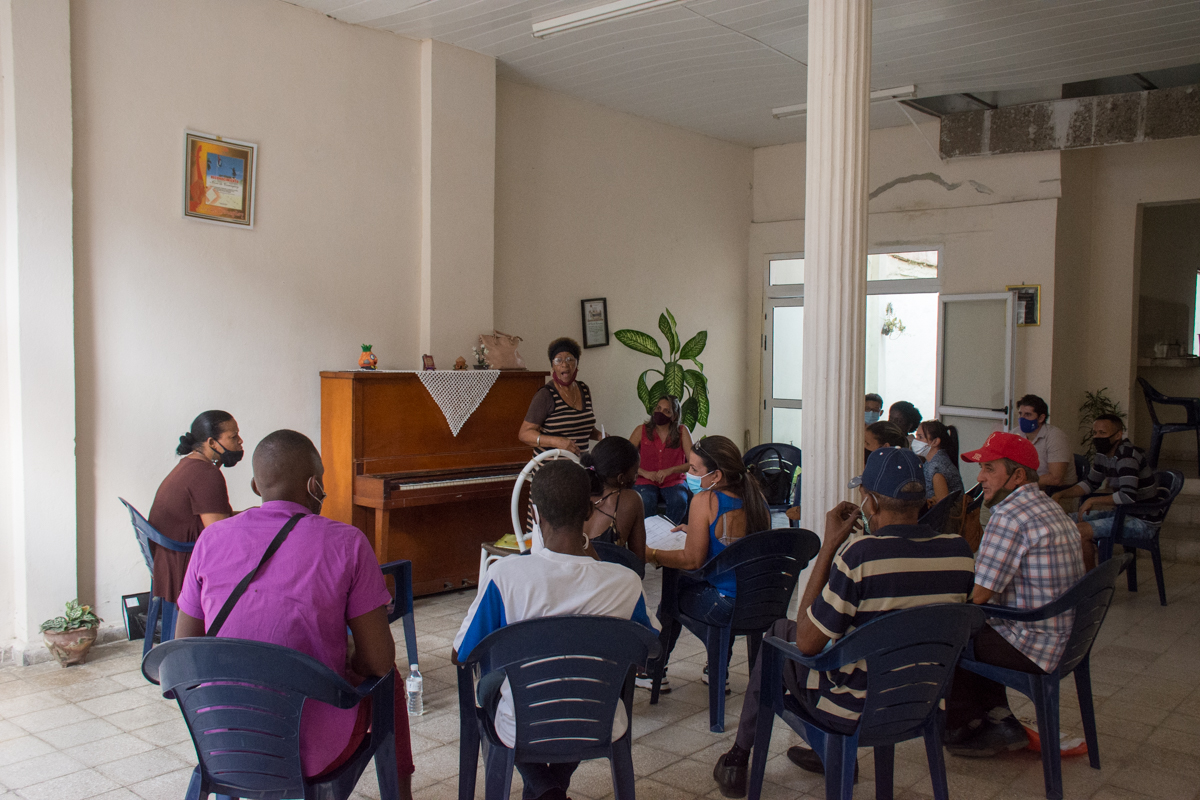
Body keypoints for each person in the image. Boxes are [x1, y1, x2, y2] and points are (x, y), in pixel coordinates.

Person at [711, 448, 975, 797]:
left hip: (854, 709)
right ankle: (824, 755)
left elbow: (806, 642)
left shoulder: (860, 555)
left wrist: (829, 547)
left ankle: (739, 756)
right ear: (923, 501)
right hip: (921, 702)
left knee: (779, 634)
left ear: (872, 504)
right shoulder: (959, 553)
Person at [174, 430, 413, 795]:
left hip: (221, 740)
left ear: (256, 486)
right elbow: (378, 662)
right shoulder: (347, 542)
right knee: (389, 679)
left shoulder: (211, 539)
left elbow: (184, 648)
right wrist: (346, 656)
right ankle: (400, 793)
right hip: (312, 753)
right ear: (314, 484)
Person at [452, 460, 656, 800]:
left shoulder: (506, 577)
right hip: (599, 720)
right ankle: (550, 788)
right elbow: (649, 649)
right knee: (583, 685)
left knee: (491, 690)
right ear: (590, 512)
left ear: (536, 515)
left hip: (521, 727)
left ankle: (545, 788)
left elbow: (461, 654)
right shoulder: (626, 583)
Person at [945, 431, 1084, 757]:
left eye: (990, 468)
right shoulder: (1049, 508)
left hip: (1035, 644)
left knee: (947, 632)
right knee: (976, 626)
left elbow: (978, 596)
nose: (980, 477)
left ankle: (966, 730)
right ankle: (997, 719)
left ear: (1018, 475)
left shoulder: (1010, 517)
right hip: (1067, 637)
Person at [644, 435, 771, 691]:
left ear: (716, 476)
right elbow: (735, 542)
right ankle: (718, 668)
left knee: (675, 587)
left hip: (724, 606)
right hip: (761, 604)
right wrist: (697, 530)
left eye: (694, 469)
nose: (689, 474)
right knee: (726, 581)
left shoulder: (706, 501)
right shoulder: (758, 500)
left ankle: (652, 669)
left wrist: (652, 554)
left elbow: (691, 560)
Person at [148, 410, 243, 604]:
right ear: (212, 443)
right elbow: (220, 534)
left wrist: (250, 514)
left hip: (168, 559)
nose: (240, 441)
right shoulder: (207, 474)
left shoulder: (190, 463)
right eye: (233, 437)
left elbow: (215, 519)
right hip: (184, 563)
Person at [1052, 414, 1158, 572]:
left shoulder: (1127, 455)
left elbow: (1127, 496)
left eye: (1102, 433)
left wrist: (1093, 501)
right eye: (1095, 433)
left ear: (1118, 435)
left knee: (1080, 532)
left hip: (1142, 520)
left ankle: (1092, 585)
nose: (1097, 437)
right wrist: (1061, 494)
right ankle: (1077, 575)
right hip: (1121, 513)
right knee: (1062, 521)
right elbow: (1090, 484)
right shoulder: (1103, 455)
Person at [518, 337, 601, 458]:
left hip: (580, 467)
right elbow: (524, 434)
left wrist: (600, 436)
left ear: (577, 363)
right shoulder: (546, 394)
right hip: (552, 471)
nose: (564, 364)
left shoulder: (584, 389)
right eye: (558, 360)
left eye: (570, 359)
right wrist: (556, 441)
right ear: (552, 365)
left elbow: (582, 427)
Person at [629, 395, 694, 523]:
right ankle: (649, 537)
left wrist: (671, 470)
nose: (660, 413)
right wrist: (645, 473)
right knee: (645, 500)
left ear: (674, 416)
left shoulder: (682, 431)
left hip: (674, 481)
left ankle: (668, 535)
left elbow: (693, 462)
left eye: (666, 411)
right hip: (645, 480)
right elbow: (625, 457)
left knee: (679, 501)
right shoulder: (641, 430)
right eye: (658, 408)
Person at [582, 436, 647, 560]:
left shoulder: (575, 492)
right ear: (621, 478)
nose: (636, 477)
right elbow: (638, 561)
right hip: (607, 577)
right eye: (635, 472)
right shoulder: (631, 500)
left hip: (569, 575)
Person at [1012, 394, 1077, 490]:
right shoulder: (1016, 433)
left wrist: (1022, 483)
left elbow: (1056, 479)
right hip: (1027, 488)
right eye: (1020, 414)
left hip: (1056, 492)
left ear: (1041, 418)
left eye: (1028, 415)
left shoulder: (1055, 437)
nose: (1022, 418)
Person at [913, 419, 963, 503]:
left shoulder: (936, 467)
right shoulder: (938, 459)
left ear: (935, 441)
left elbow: (942, 505)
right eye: (916, 436)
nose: (916, 441)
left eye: (920, 437)